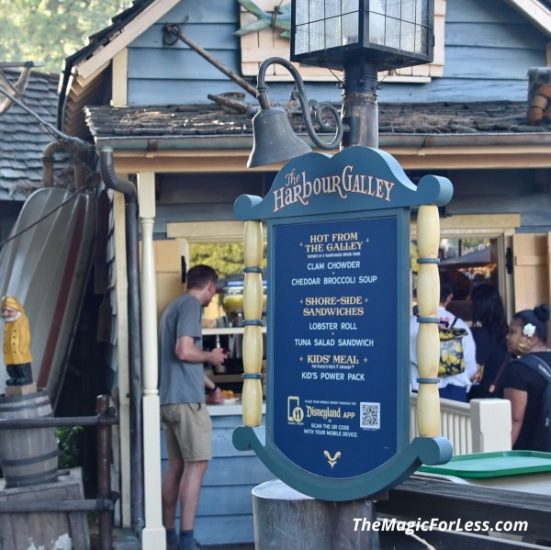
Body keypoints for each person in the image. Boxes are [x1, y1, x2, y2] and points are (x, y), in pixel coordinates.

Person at [158, 265, 227, 550]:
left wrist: (211, 388)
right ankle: (187, 541)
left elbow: (182, 363)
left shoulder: (173, 307)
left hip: (171, 399)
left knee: (176, 466)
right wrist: (211, 356)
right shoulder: (190, 306)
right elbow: (184, 351)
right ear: (210, 287)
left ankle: (169, 535)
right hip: (186, 403)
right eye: (215, 290)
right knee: (196, 465)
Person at [410, 274, 477, 402]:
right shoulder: (460, 325)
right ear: (450, 296)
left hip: (420, 394)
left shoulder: (408, 325)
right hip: (455, 395)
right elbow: (471, 368)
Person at [502, 304, 551, 450]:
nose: (507, 337)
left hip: (530, 453)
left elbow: (515, 418)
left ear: (531, 337)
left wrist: (503, 453)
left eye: (512, 332)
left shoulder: (518, 369)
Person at [468, 283, 510, 399]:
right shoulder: (505, 332)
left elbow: (472, 370)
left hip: (483, 393)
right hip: (501, 391)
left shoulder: (483, 335)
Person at [1, 295, 33, 386]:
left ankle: (25, 378)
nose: (5, 314)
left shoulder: (22, 320)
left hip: (20, 353)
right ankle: (14, 378)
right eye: (3, 311)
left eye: (9, 311)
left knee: (21, 367)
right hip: (10, 354)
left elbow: (25, 335)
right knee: (10, 368)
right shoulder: (8, 324)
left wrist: (22, 348)